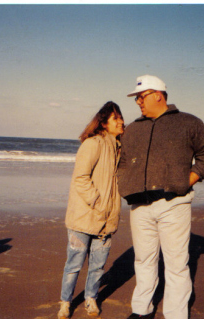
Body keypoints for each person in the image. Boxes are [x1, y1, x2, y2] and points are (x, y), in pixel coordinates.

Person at [118, 75, 204, 319]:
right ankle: (141, 310)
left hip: (174, 203)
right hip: (139, 205)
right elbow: (122, 163)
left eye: (141, 97)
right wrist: (125, 185)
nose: (138, 102)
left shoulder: (188, 123)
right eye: (137, 98)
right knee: (143, 260)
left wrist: (187, 180)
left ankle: (175, 315)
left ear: (158, 95)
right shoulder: (133, 129)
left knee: (176, 265)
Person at [58, 101, 125, 319]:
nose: (121, 121)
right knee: (74, 265)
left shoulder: (119, 148)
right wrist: (98, 202)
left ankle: (90, 299)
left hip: (107, 220)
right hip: (83, 217)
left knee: (98, 267)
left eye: (121, 117)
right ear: (104, 123)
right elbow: (80, 178)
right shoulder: (93, 144)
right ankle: (66, 303)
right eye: (116, 118)